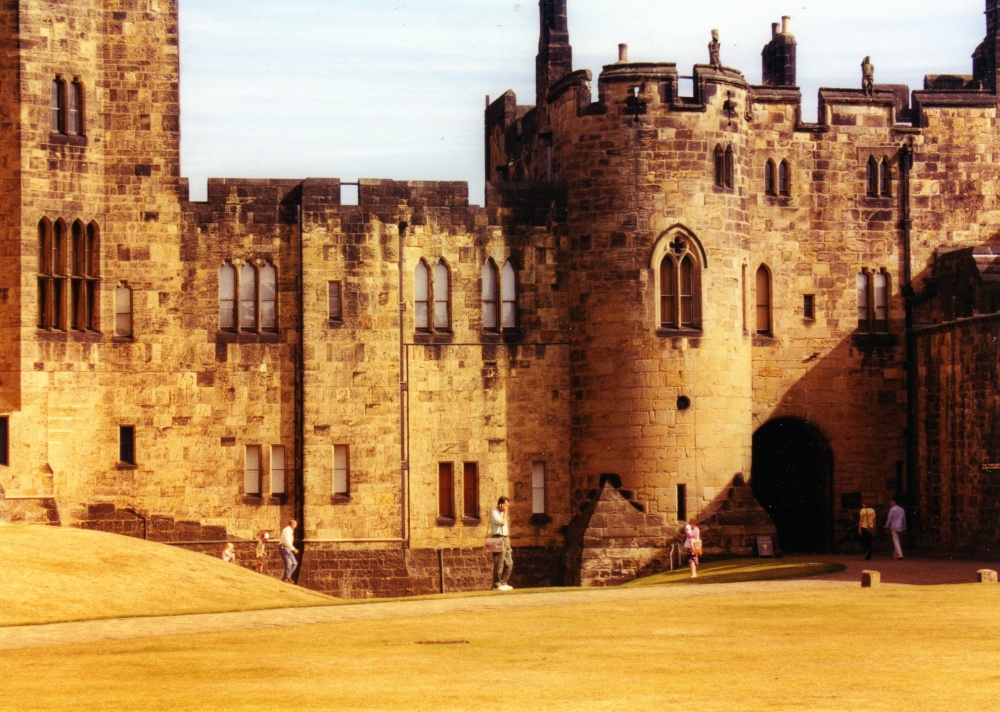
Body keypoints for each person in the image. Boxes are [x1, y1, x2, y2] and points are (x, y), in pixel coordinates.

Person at [489, 496, 513, 591]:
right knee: (499, 563)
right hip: (497, 538)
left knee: (509, 562)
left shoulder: (503, 513)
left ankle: (504, 582)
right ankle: (496, 584)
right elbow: (502, 523)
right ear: (501, 504)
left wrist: (505, 512)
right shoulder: (494, 513)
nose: (507, 507)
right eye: (506, 505)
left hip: (505, 538)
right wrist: (505, 512)